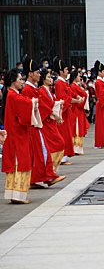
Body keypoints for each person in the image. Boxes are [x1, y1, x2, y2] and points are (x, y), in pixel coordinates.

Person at [21, 56, 64, 188]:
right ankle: (48, 176)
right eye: (37, 73)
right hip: (34, 125)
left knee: (38, 152)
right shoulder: (28, 89)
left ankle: (37, 178)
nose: (39, 75)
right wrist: (52, 113)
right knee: (42, 151)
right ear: (30, 74)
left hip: (37, 123)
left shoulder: (32, 88)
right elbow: (39, 107)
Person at [2, 69, 41, 204]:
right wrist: (34, 103)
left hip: (14, 133)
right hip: (17, 134)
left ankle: (14, 194)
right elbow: (25, 105)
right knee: (20, 163)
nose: (22, 82)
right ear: (13, 81)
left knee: (16, 163)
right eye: (20, 79)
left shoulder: (11, 94)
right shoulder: (13, 95)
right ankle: (18, 195)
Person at [53, 57, 82, 165]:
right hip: (63, 112)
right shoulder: (59, 83)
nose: (67, 71)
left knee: (68, 133)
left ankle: (65, 155)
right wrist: (75, 100)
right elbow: (63, 99)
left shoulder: (64, 82)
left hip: (67, 112)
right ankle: (63, 156)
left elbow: (70, 94)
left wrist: (77, 97)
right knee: (64, 134)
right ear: (61, 71)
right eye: (65, 69)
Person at [38, 69, 66, 173]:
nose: (51, 79)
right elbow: (44, 106)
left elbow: (54, 103)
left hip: (52, 122)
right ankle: (50, 168)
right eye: (48, 77)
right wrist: (54, 114)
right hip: (47, 122)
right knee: (57, 143)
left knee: (59, 143)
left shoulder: (48, 91)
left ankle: (52, 168)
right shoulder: (41, 90)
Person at [69, 70, 89, 154]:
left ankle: (77, 148)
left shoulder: (74, 86)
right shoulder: (74, 86)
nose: (80, 78)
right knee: (77, 127)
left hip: (77, 108)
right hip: (77, 109)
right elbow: (84, 94)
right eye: (78, 76)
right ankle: (76, 148)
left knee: (78, 126)